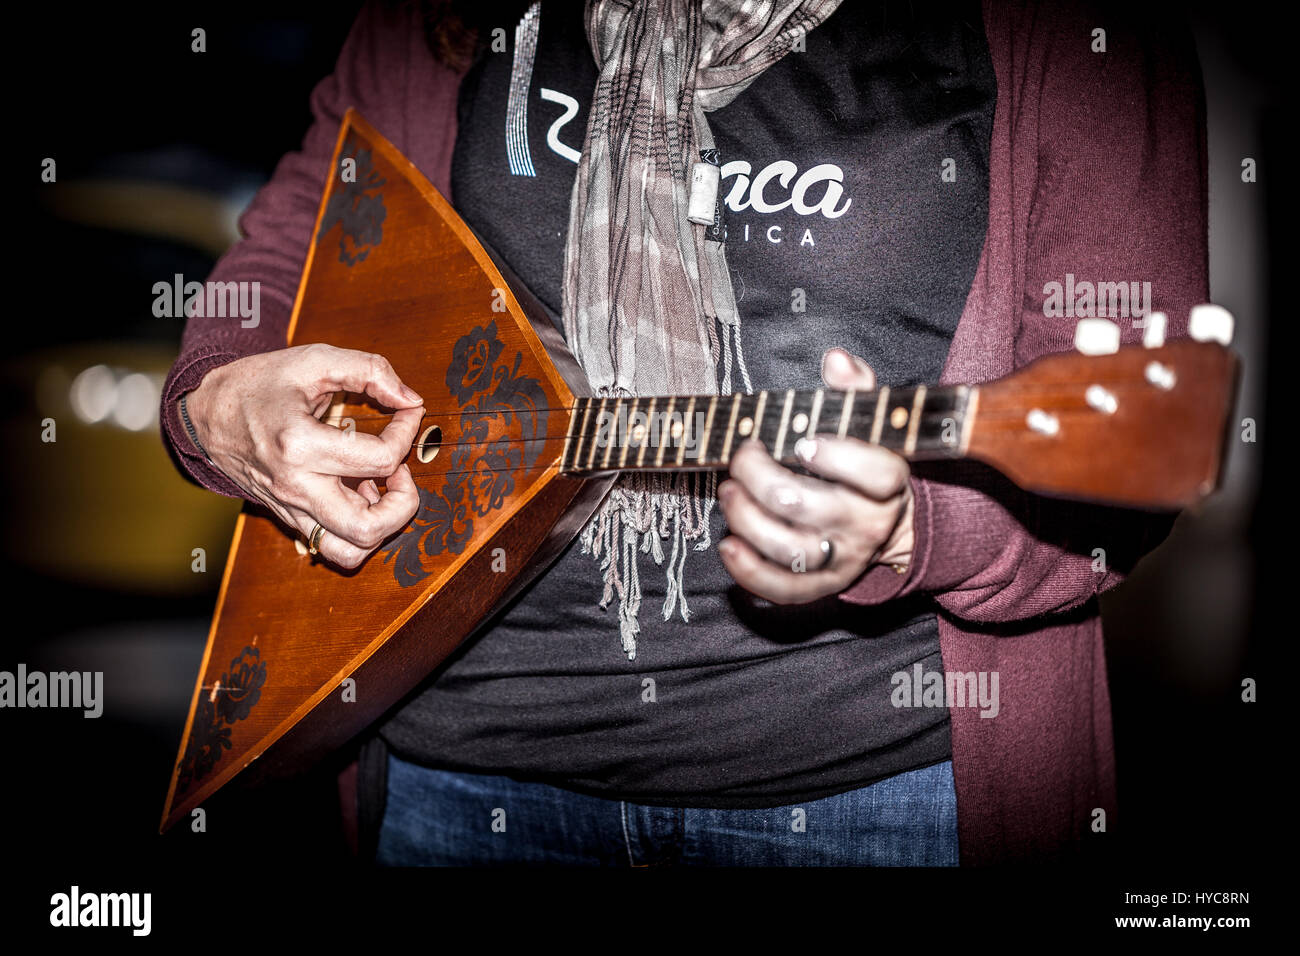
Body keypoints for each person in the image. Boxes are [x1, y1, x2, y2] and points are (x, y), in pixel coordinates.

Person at [162, 0, 1208, 865]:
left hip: (872, 798)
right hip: (454, 771)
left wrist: (907, 528)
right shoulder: (446, 14)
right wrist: (218, 398)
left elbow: (1115, 476)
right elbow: (298, 232)